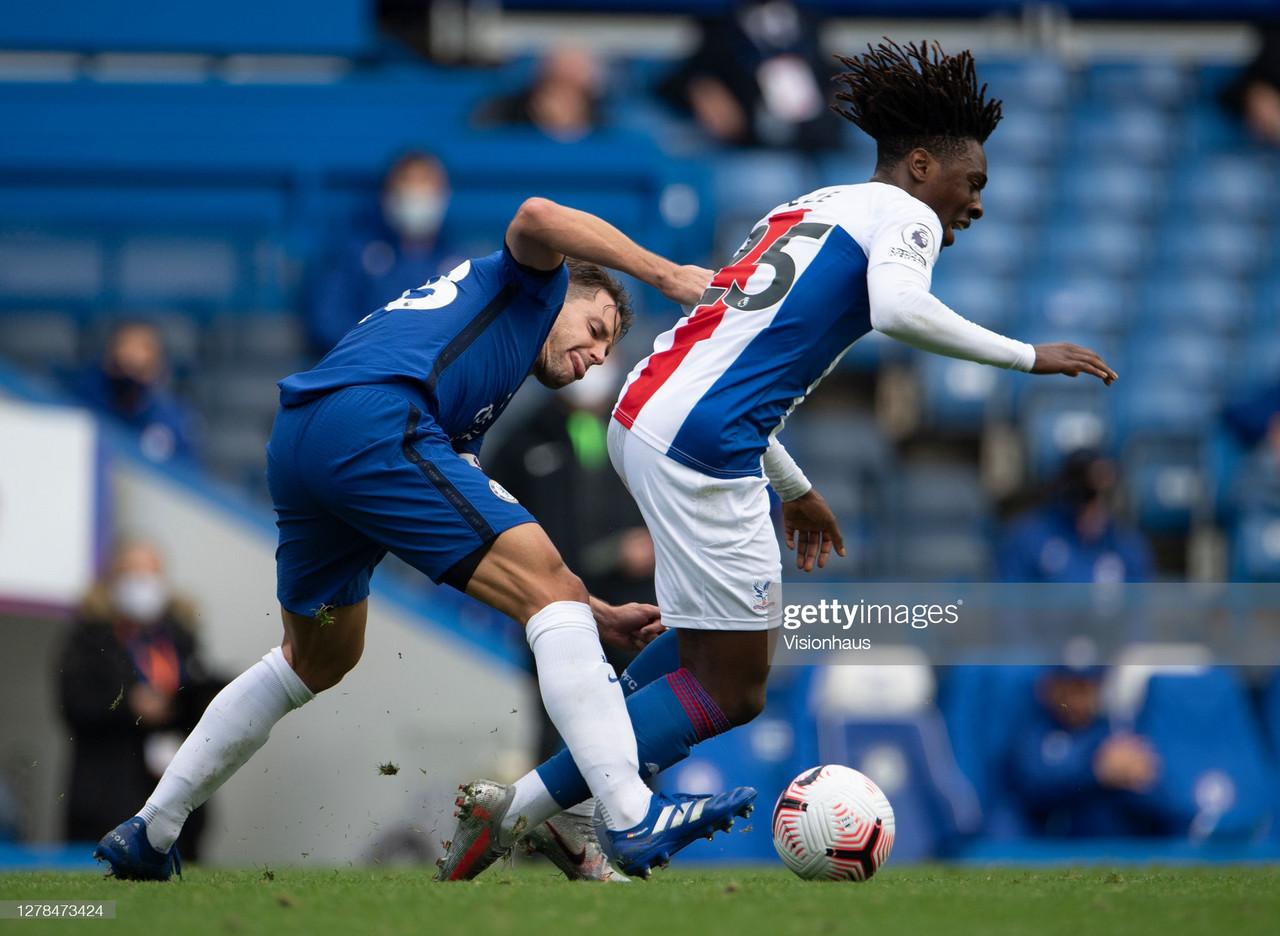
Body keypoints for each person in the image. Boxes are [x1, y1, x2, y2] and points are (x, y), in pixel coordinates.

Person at [442, 38, 1118, 882]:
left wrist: (793, 485)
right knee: (735, 688)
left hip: (649, 410)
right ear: (918, 166)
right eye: (971, 184)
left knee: (701, 650)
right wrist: (1028, 356)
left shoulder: (806, 206)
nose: (975, 205)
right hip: (704, 441)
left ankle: (539, 807)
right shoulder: (903, 218)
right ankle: (566, 811)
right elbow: (902, 310)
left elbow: (740, 360)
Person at [92, 197, 757, 883]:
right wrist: (667, 273)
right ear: (566, 293)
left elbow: (495, 548)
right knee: (546, 589)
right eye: (595, 330)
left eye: (606, 349)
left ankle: (154, 828)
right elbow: (535, 217)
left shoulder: (481, 379)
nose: (594, 357)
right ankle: (626, 813)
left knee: (317, 657)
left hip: (306, 442)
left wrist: (593, 612)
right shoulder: (535, 285)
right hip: (373, 420)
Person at [488, 354, 657, 765]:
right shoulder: (525, 439)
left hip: (636, 604)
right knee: (557, 726)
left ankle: (638, 824)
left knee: (641, 727)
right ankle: (546, 826)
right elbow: (490, 521)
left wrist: (658, 544)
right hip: (553, 605)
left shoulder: (646, 431)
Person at [59, 540, 225, 857]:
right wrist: (128, 706)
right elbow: (73, 705)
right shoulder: (89, 638)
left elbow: (196, 698)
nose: (144, 582)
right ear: (113, 579)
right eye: (133, 572)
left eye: (152, 572)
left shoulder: (180, 636)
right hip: (108, 788)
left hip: (174, 786)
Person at [305, 150, 466, 356]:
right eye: (408, 182)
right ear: (387, 193)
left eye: (427, 182)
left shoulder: (461, 263)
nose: (417, 192)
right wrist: (381, 350)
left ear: (444, 194)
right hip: (363, 374)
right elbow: (326, 321)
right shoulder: (353, 253)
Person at [656, 0, 843, 152]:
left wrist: (837, 98)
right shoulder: (721, 25)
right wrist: (700, 89)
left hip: (817, 141)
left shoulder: (809, 20)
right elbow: (681, 80)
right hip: (748, 144)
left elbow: (830, 73)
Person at [1005, 662, 1162, 837]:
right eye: (1068, 688)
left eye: (1085, 688)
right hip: (1044, 845)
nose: (1075, 700)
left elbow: (1154, 794)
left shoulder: (1115, 731)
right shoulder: (1033, 729)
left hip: (1110, 847)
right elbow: (1033, 783)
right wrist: (1095, 769)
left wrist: (1134, 774)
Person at [996, 450, 1153, 585]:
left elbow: (1137, 614)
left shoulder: (1126, 545)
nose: (1096, 506)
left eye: (1107, 495)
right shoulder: (1027, 540)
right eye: (1088, 495)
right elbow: (1010, 611)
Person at [71, 320, 203, 465]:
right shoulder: (85, 402)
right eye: (125, 345)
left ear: (159, 365)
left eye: (145, 348)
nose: (133, 355)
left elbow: (186, 475)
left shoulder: (172, 420)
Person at [472, 45, 604, 143]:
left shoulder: (604, 120)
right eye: (556, 81)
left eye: (574, 87)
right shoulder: (504, 112)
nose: (564, 96)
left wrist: (567, 128)